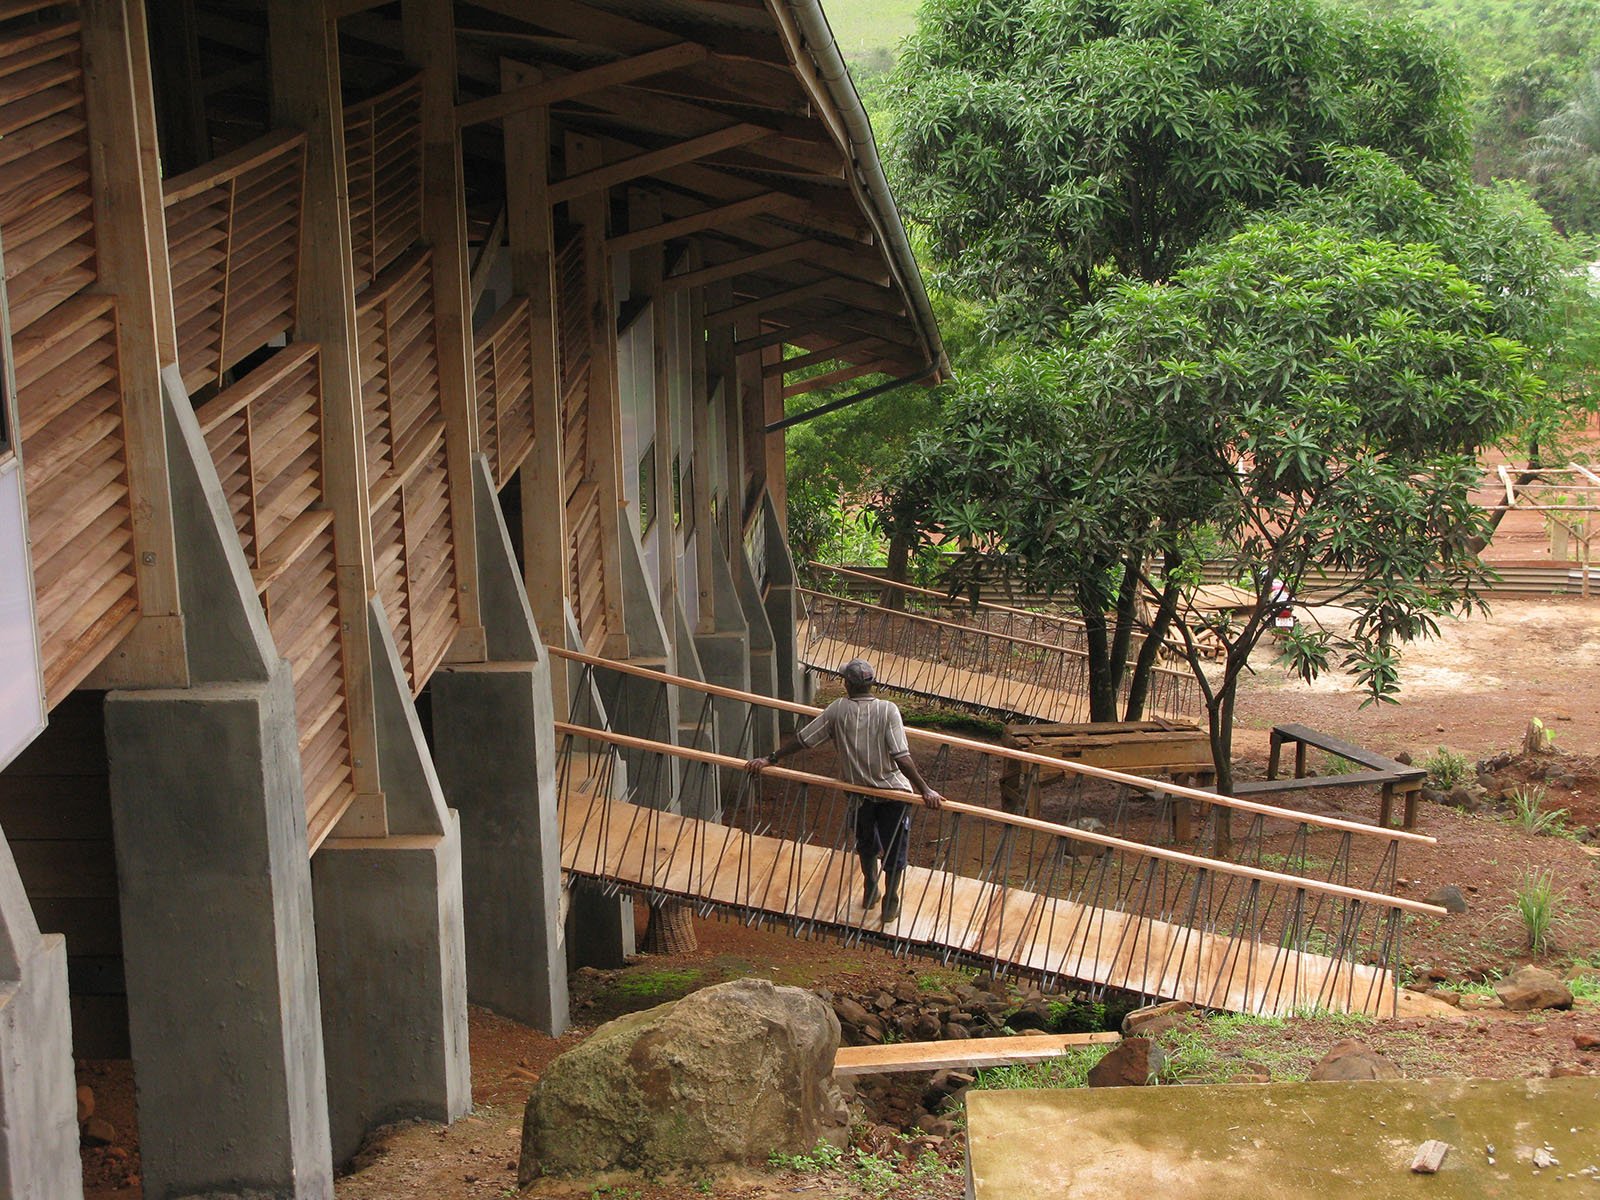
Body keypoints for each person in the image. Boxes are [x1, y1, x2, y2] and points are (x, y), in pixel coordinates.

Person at [744, 659, 943, 921]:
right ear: (872, 684)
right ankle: (884, 897)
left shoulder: (838, 710)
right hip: (892, 793)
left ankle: (878, 892)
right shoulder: (888, 710)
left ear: (847, 684)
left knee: (866, 843)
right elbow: (901, 756)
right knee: (891, 846)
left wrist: (771, 758)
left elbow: (804, 740)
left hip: (863, 793)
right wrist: (925, 789)